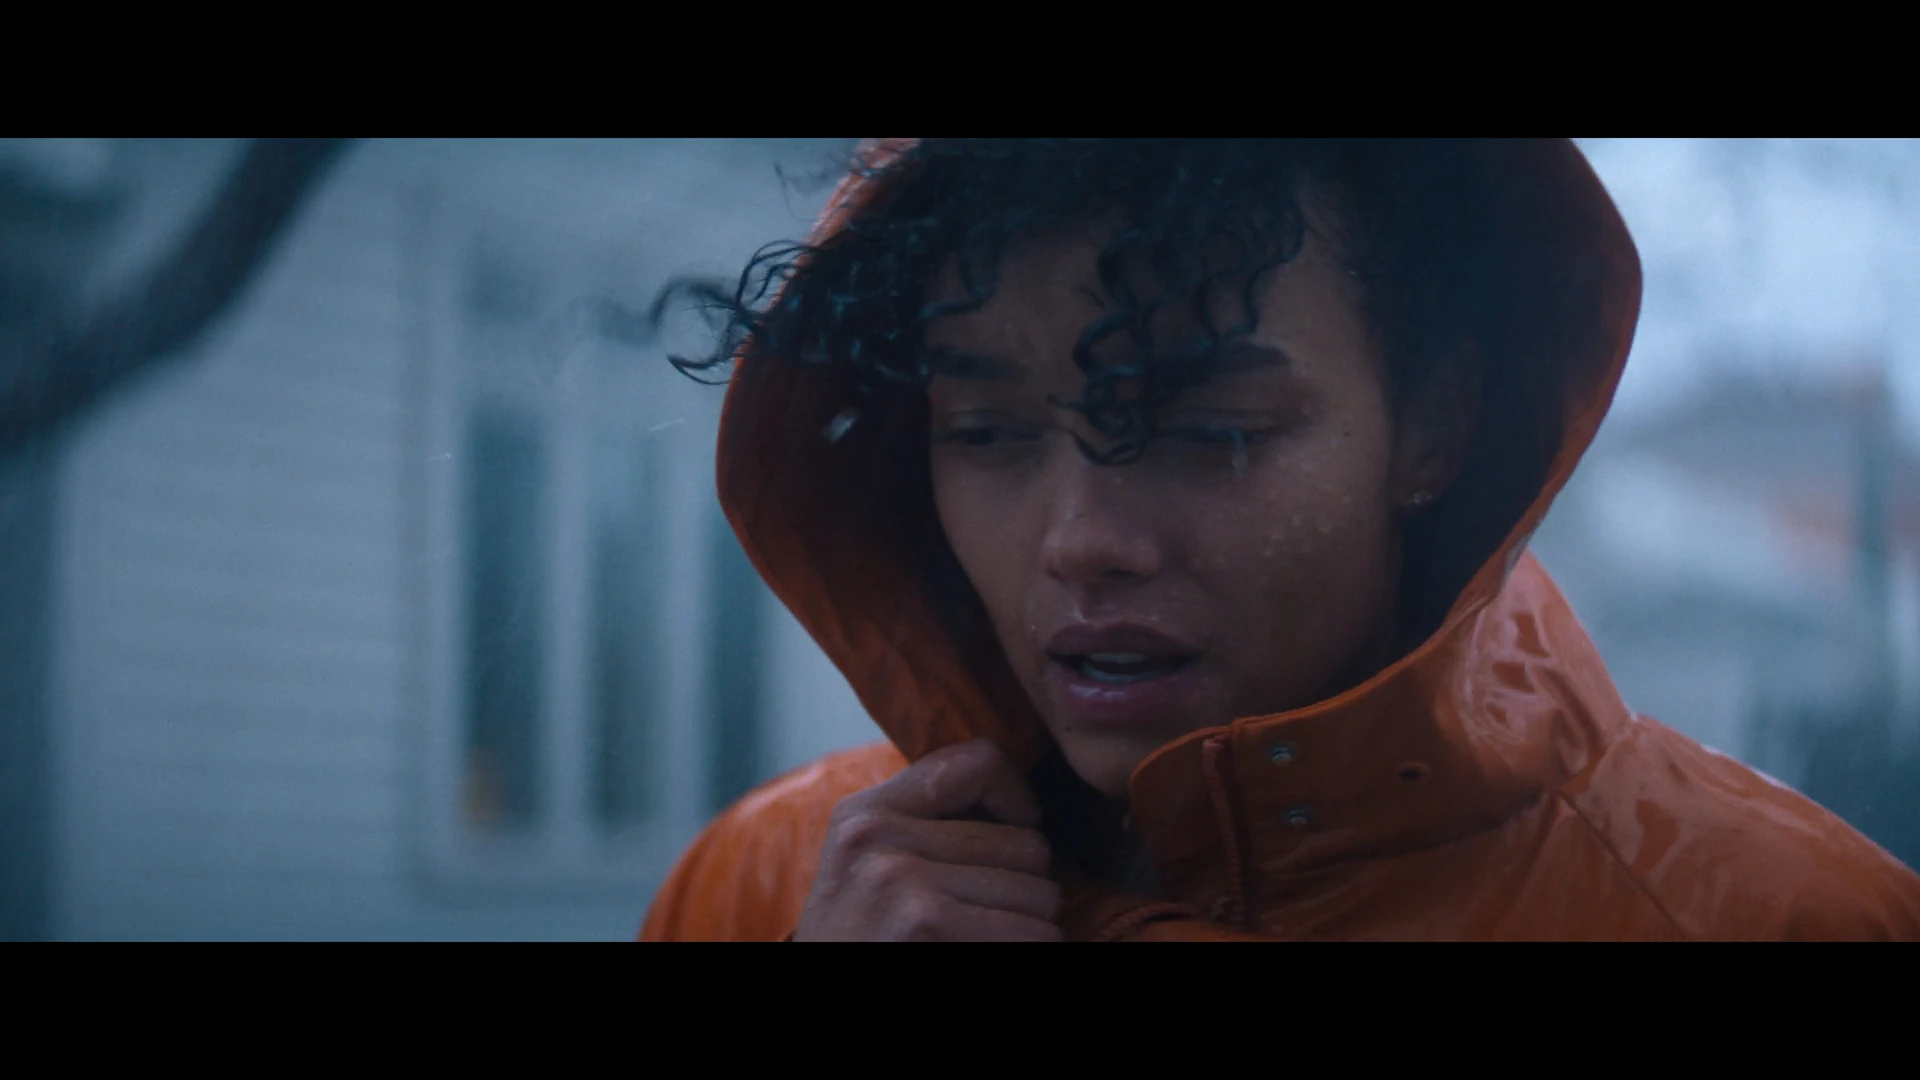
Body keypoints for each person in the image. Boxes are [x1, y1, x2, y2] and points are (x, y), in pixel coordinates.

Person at [638, 138, 1920, 941]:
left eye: (1215, 430)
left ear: (1433, 425)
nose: (1081, 542)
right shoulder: (776, 886)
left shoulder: (1765, 913)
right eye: (985, 432)